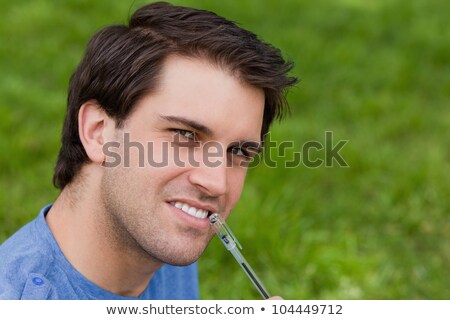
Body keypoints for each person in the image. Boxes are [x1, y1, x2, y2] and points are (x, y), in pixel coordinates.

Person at [0, 1, 297, 299]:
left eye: (237, 152)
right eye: (185, 135)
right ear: (98, 132)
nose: (215, 183)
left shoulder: (160, 233)